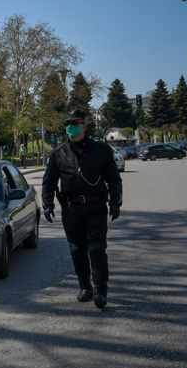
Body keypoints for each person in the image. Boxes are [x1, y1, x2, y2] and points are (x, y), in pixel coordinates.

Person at [41, 109, 122, 309]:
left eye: (74, 122)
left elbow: (113, 177)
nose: (70, 126)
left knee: (96, 248)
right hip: (71, 208)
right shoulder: (58, 153)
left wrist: (114, 202)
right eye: (68, 123)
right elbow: (49, 181)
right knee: (77, 249)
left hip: (95, 205)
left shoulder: (101, 150)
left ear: (84, 126)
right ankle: (85, 287)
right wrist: (48, 204)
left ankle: (101, 289)